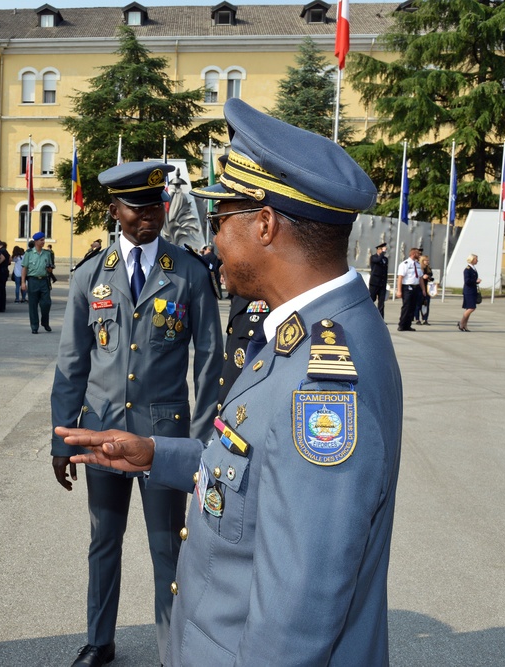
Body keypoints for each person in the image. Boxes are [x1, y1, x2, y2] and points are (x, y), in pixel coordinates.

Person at [58, 98, 400, 667]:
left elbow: (298, 618)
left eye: (221, 222)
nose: (212, 241)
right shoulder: (306, 334)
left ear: (264, 225)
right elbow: (256, 474)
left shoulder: (325, 385)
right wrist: (154, 453)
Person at [50, 161, 223, 667]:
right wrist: (64, 441)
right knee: (104, 541)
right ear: (114, 211)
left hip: (164, 439)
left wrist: (198, 449)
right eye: (136, 208)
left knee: (167, 547)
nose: (148, 217)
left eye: (155, 207)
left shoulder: (188, 272)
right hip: (102, 434)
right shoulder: (90, 276)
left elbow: (210, 362)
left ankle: (174, 651)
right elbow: (71, 364)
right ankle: (99, 640)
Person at [20, 231, 54, 333]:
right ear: (36, 241)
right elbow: (24, 268)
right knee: (33, 305)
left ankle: (45, 321)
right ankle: (34, 326)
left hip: (44, 280)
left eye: (44, 240)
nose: (43, 242)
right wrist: (22, 282)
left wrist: (49, 269)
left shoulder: (47, 254)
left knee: (46, 303)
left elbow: (50, 268)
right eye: (41, 240)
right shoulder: (29, 253)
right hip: (33, 280)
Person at [395, 246, 423, 331]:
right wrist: (399, 290)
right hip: (407, 288)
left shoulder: (418, 264)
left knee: (413, 307)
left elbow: (420, 278)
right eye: (418, 253)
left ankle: (408, 325)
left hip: (416, 287)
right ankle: (402, 325)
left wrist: (424, 290)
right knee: (406, 307)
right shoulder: (405, 264)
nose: (420, 255)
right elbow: (400, 278)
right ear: (414, 254)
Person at [459, 253, 481, 332]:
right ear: (472, 259)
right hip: (469, 291)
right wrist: (475, 281)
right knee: (471, 308)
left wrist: (476, 282)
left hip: (472, 290)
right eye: (476, 259)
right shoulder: (467, 269)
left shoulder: (473, 268)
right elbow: (467, 281)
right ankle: (461, 323)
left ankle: (465, 325)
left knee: (469, 308)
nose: (477, 260)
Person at [368, 242, 388, 316]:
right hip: (374, 283)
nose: (384, 251)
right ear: (378, 250)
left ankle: (381, 318)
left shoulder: (385, 259)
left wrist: (385, 282)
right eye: (382, 249)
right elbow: (377, 260)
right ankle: (369, 315)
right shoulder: (374, 257)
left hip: (382, 284)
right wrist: (382, 254)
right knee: (371, 299)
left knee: (381, 302)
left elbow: (385, 272)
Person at [415, 254, 434, 325]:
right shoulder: (419, 268)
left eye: (428, 260)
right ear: (422, 261)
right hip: (419, 288)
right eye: (426, 260)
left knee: (426, 304)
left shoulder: (428, 269)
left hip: (427, 288)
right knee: (418, 304)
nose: (427, 262)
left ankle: (425, 319)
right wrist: (423, 277)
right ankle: (417, 319)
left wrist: (428, 277)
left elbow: (431, 277)